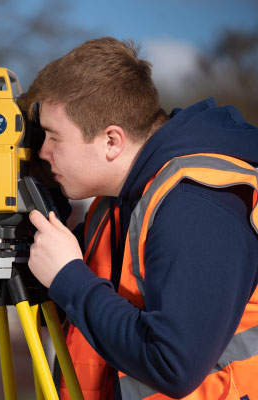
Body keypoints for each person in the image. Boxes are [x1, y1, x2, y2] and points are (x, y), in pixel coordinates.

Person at [25, 37, 258, 399]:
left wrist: (69, 277)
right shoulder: (117, 201)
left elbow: (173, 365)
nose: (43, 150)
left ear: (112, 141)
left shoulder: (195, 202)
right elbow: (67, 313)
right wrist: (44, 203)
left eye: (54, 137)